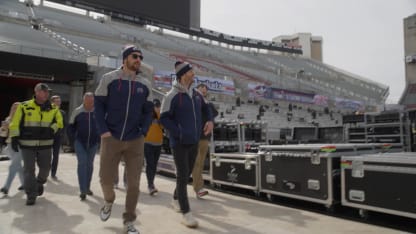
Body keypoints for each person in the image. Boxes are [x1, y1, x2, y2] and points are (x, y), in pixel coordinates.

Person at [94, 45, 153, 234]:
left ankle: (129, 221)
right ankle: (109, 201)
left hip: (135, 139)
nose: (138, 60)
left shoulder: (145, 84)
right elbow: (98, 106)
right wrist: (103, 131)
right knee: (105, 179)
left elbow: (148, 111)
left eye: (140, 58)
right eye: (135, 56)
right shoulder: (108, 79)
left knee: (134, 184)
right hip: (111, 137)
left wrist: (143, 131)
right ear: (125, 58)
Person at [160, 61, 213, 228]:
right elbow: (163, 118)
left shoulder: (197, 94)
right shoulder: (171, 95)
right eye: (191, 71)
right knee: (182, 175)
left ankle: (176, 197)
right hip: (179, 143)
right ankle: (186, 213)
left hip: (194, 141)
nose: (194, 73)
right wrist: (179, 132)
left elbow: (207, 109)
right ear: (183, 75)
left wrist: (210, 121)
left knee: (187, 173)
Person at [9, 83, 63, 205]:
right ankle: (31, 195)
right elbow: (15, 123)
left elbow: (60, 122)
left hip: (46, 144)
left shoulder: (54, 108)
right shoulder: (24, 106)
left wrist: (51, 129)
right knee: (29, 170)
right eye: (44, 91)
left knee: (45, 168)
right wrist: (14, 137)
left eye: (48, 92)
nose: (47, 94)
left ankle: (39, 183)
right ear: (37, 92)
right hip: (27, 145)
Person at [67, 92, 99, 201]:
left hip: (93, 143)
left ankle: (87, 187)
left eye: (92, 101)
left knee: (89, 165)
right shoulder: (77, 111)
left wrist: (99, 138)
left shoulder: (98, 111)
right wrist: (73, 140)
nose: (90, 103)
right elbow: (70, 126)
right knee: (82, 163)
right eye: (88, 101)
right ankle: (82, 190)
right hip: (80, 142)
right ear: (84, 100)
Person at [191, 84, 218, 199]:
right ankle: (198, 188)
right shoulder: (193, 102)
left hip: (205, 137)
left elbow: (213, 114)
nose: (203, 92)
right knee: (196, 163)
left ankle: (198, 187)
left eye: (205, 91)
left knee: (200, 163)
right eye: (201, 90)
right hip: (195, 136)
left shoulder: (208, 105)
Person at [0, 102, 24, 196]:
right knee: (18, 166)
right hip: (10, 146)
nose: (15, 109)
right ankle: (25, 184)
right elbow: (3, 135)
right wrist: (3, 128)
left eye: (18, 108)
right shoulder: (8, 119)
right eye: (14, 107)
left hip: (20, 145)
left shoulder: (24, 119)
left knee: (13, 166)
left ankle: (6, 187)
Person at [144, 98, 163, 196]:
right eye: (156, 106)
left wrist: (160, 115)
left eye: (158, 107)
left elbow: (164, 126)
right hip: (148, 143)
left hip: (158, 143)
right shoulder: (148, 115)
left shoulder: (161, 116)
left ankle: (151, 182)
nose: (157, 108)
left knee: (154, 165)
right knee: (150, 164)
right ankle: (150, 185)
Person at [50, 95, 67, 180]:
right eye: (56, 101)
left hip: (58, 137)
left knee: (56, 155)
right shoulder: (48, 111)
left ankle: (53, 173)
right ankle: (46, 169)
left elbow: (64, 125)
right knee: (46, 155)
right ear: (52, 102)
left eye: (59, 101)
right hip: (48, 137)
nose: (58, 103)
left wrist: (62, 134)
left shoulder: (63, 113)